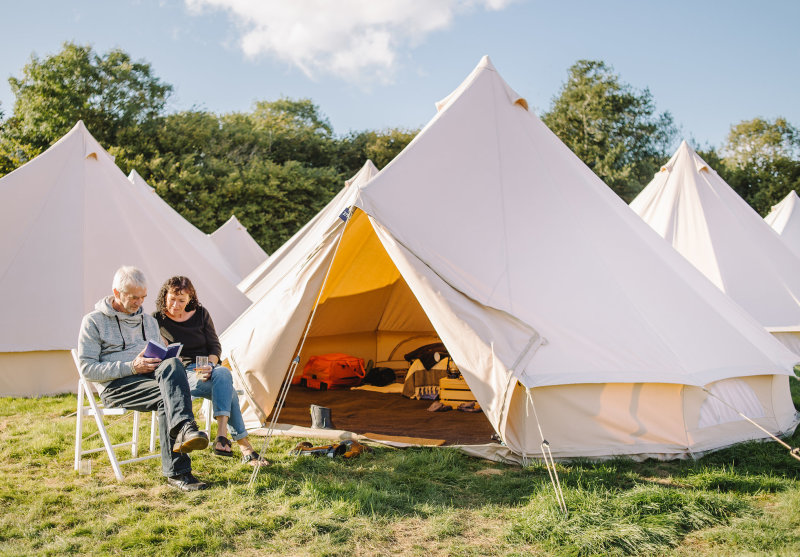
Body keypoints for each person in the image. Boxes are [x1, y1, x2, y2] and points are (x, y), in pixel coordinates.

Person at [77, 266, 210, 491]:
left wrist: (162, 358)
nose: (139, 302)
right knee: (169, 398)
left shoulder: (148, 322)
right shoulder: (93, 322)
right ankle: (180, 467)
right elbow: (88, 369)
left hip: (149, 379)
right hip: (115, 386)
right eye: (134, 298)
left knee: (172, 363)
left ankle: (184, 434)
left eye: (143, 297)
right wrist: (131, 366)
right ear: (117, 292)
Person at [153, 275, 268, 467]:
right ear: (165, 295)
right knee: (228, 390)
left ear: (190, 299)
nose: (176, 304)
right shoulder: (157, 319)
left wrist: (210, 365)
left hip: (204, 368)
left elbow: (215, 347)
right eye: (172, 299)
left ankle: (222, 434)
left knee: (222, 372)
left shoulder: (201, 314)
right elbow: (154, 349)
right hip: (181, 373)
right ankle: (241, 445)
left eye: (181, 300)